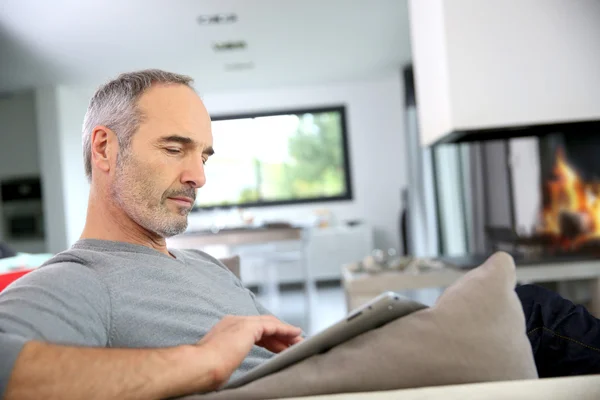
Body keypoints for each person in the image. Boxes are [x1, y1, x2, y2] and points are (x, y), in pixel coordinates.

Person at [0, 70, 598, 400]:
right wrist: (203, 361)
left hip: (328, 371)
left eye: (204, 153)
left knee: (518, 308)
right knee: (529, 312)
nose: (199, 175)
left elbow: (293, 350)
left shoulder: (202, 265)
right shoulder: (80, 279)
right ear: (105, 147)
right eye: (175, 148)